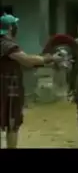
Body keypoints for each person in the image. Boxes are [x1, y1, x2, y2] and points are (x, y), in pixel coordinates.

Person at [0, 13, 61, 148]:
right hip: (8, 89)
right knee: (12, 123)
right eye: (15, 25)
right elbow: (27, 60)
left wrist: (42, 62)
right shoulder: (7, 44)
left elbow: (24, 63)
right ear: (10, 28)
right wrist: (50, 58)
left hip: (6, 86)